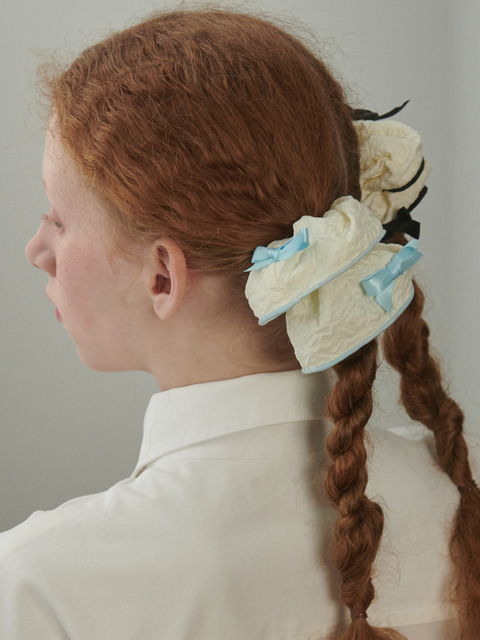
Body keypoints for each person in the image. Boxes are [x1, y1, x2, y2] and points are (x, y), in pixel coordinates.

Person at [0, 6, 478, 640]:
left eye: (57, 218)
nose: (36, 249)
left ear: (162, 277)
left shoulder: (39, 584)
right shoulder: (460, 498)